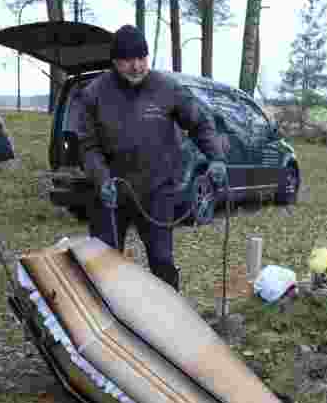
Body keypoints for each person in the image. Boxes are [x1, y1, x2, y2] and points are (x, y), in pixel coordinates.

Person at [77, 24, 227, 291]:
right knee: (103, 263)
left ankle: (170, 315)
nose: (136, 66)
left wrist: (215, 157)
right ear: (114, 62)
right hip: (111, 192)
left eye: (142, 58)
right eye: (127, 60)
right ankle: (106, 320)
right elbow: (88, 146)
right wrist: (101, 180)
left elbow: (200, 123)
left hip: (156, 190)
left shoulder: (167, 88)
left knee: (162, 260)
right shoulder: (94, 94)